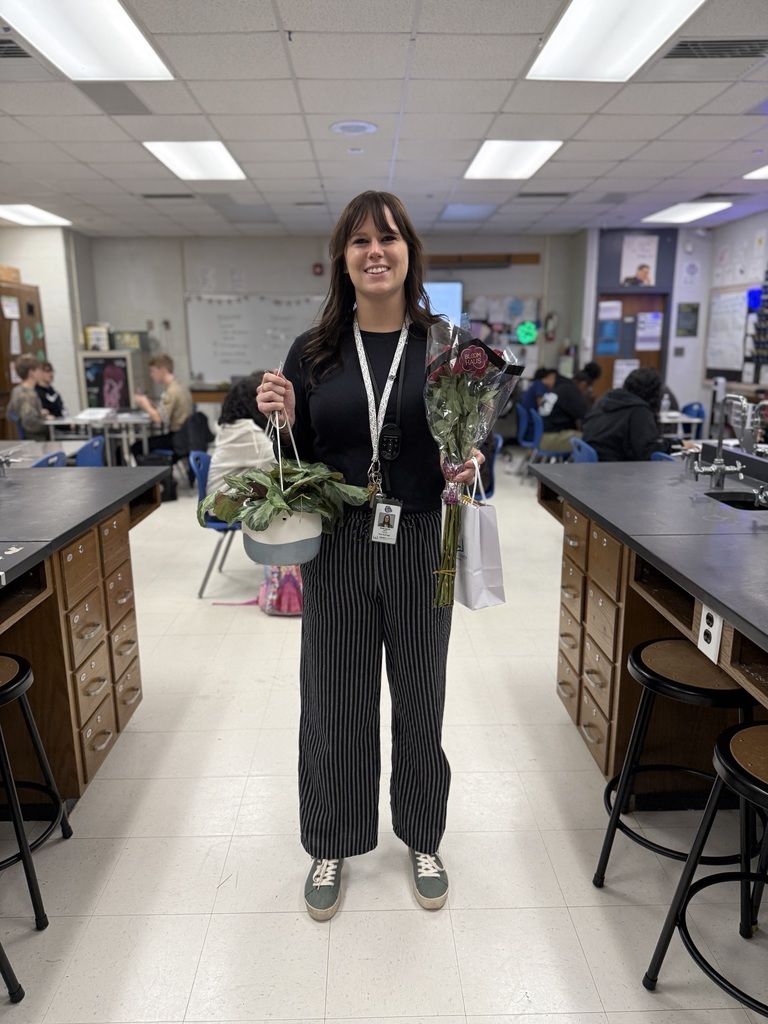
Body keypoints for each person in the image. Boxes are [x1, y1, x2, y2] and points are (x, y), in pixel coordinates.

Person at [256, 190, 481, 923]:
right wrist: (281, 424)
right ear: (342, 260)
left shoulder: (444, 345)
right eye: (359, 241)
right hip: (339, 545)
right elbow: (298, 460)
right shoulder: (314, 351)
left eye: (388, 238)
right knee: (336, 703)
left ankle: (421, 836)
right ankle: (332, 841)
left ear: (410, 253)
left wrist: (475, 455)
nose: (375, 251)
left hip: (424, 541)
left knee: (422, 698)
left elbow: (474, 438)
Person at [581, 367, 697, 461]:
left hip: (595, 463)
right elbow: (646, 450)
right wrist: (678, 444)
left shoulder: (607, 398)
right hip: (613, 469)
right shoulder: (639, 410)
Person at [206, 372, 274, 495]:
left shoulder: (233, 425)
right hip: (224, 507)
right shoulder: (246, 431)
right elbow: (277, 464)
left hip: (226, 499)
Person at [130, 354, 193, 461]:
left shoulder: (171, 392)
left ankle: (150, 476)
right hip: (186, 436)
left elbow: (159, 419)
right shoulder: (180, 387)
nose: (151, 375)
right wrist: (150, 404)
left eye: (153, 371)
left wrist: (145, 404)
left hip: (177, 438)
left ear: (163, 370)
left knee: (136, 447)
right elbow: (164, 412)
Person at [539, 370, 591, 451]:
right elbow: (584, 414)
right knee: (591, 439)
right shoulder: (570, 390)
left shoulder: (560, 388)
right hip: (551, 439)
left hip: (542, 435)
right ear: (583, 384)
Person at [8, 355, 51, 441]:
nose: (41, 373)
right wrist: (47, 422)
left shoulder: (16, 390)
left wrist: (38, 412)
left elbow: (11, 413)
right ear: (31, 372)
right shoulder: (28, 395)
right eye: (39, 370)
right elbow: (30, 423)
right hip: (36, 440)